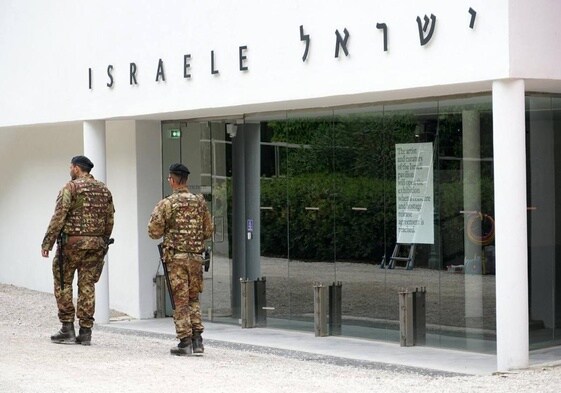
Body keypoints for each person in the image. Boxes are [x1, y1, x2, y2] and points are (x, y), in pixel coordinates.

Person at [41, 155, 115, 345]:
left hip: (71, 245)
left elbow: (59, 216)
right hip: (96, 246)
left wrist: (47, 243)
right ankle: (85, 331)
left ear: (76, 168)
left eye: (71, 167)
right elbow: (110, 220)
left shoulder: (70, 188)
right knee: (87, 285)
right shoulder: (103, 190)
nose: (70, 170)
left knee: (64, 283)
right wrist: (103, 242)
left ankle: (67, 328)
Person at [148, 163, 213, 356]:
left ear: (173, 180)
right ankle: (198, 340)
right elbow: (208, 230)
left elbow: (153, 231)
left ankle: (185, 341)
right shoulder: (200, 202)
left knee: (180, 300)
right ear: (186, 180)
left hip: (176, 258)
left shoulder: (167, 203)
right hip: (195, 258)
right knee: (193, 298)